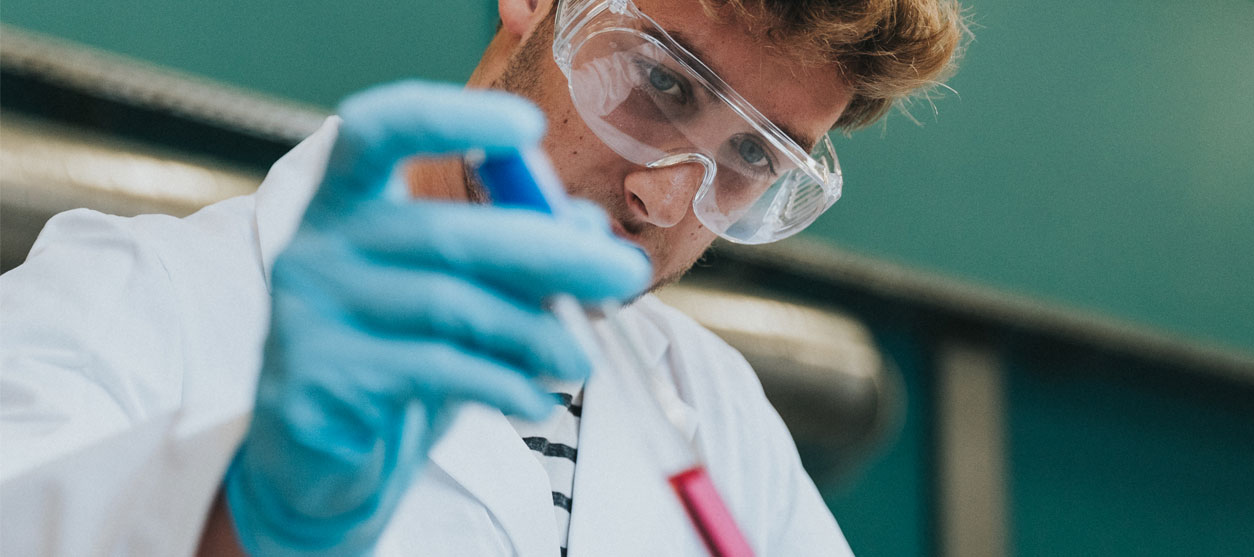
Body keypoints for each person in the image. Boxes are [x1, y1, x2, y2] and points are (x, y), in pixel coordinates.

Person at [0, 0, 966, 554]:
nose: (667, 198)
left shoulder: (721, 417)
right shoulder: (123, 300)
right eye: (664, 84)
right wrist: (250, 515)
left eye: (752, 157)